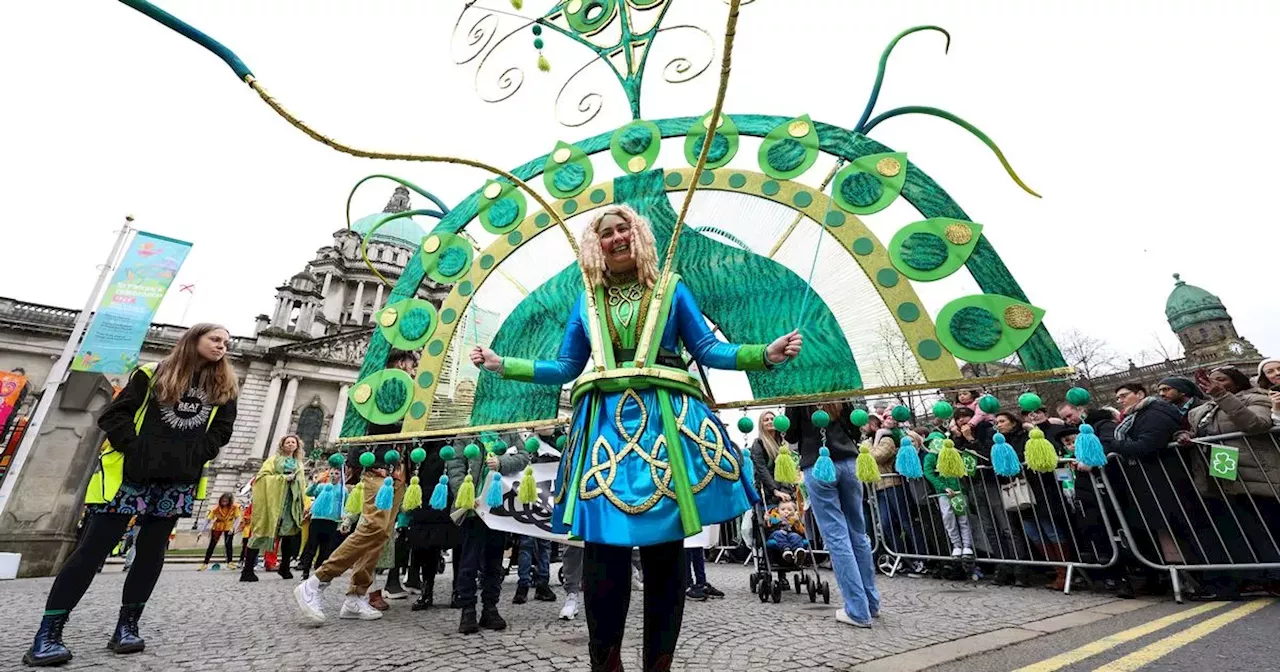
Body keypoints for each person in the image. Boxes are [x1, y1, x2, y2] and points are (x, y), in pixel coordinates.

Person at [469, 204, 801, 670]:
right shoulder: (585, 299)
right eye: (605, 232)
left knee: (666, 549)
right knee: (605, 548)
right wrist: (506, 365)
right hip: (603, 426)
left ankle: (657, 666)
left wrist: (762, 354)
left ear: (638, 235)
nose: (616, 237)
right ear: (595, 245)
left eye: (624, 228)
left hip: (667, 424)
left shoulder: (671, 288)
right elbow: (566, 367)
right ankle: (606, 664)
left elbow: (707, 348)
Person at [24, 324, 238, 667]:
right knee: (92, 551)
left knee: (151, 555)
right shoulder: (152, 373)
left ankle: (127, 627)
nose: (222, 347)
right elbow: (114, 414)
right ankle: (47, 634)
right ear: (194, 339)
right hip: (130, 477)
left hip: (177, 481)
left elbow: (223, 430)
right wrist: (136, 450)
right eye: (215, 339)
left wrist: (198, 454)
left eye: (226, 343)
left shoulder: (224, 387)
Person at [294, 351, 416, 624]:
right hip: (378, 465)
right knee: (372, 527)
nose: (416, 369)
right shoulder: (384, 388)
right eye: (414, 363)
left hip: (400, 469)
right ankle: (316, 582)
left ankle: (356, 596)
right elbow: (365, 422)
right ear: (399, 363)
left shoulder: (412, 391)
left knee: (382, 533)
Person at [784, 403, 878, 629]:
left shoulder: (796, 392)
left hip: (818, 465)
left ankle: (857, 610)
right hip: (849, 462)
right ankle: (871, 604)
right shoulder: (837, 387)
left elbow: (791, 434)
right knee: (858, 533)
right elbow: (854, 427)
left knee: (837, 537)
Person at [446, 434, 529, 633]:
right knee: (469, 561)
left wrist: (501, 462)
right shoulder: (467, 435)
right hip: (473, 509)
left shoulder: (509, 432)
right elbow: (455, 466)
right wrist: (463, 494)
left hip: (498, 509)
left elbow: (524, 457)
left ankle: (490, 608)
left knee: (494, 560)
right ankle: (468, 609)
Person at [242, 435, 307, 581]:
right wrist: (283, 479)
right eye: (287, 442)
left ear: (297, 446)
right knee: (260, 533)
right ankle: (247, 570)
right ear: (282, 445)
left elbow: (302, 485)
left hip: (290, 504)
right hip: (272, 504)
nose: (290, 444)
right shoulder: (273, 460)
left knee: (290, 535)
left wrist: (302, 503)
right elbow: (261, 478)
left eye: (293, 442)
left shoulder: (299, 464)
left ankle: (284, 567)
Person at [405, 440, 460, 611]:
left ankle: (458, 590)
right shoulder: (421, 444)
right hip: (425, 492)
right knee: (426, 546)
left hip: (452, 489)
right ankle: (426, 591)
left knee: (458, 543)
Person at [299, 466, 343, 580]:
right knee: (311, 545)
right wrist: (315, 482)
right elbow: (309, 492)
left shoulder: (343, 490)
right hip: (317, 519)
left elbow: (343, 504)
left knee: (325, 548)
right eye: (332, 473)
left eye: (337, 473)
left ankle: (319, 571)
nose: (334, 476)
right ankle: (305, 571)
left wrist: (342, 518)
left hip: (332, 520)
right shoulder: (321, 487)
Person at [748, 410, 794, 506]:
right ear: (761, 425)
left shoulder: (782, 444)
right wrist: (775, 490)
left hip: (786, 489)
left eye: (772, 419)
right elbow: (761, 469)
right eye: (766, 420)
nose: (770, 421)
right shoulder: (759, 444)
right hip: (769, 491)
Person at [200, 493, 241, 571]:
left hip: (229, 526)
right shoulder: (216, 508)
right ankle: (205, 563)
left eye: (226, 501)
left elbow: (238, 518)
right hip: (217, 526)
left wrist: (233, 528)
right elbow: (208, 519)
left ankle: (230, 562)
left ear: (229, 501)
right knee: (212, 545)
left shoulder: (235, 507)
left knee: (228, 545)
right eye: (222, 501)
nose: (224, 502)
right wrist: (201, 530)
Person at [764, 500, 808, 564]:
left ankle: (798, 551)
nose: (786, 511)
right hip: (776, 534)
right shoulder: (775, 517)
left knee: (795, 535)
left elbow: (801, 531)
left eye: (789, 510)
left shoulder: (794, 519)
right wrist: (767, 519)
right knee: (779, 534)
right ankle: (786, 550)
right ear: (778, 510)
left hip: (790, 535)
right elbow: (768, 525)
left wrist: (797, 521)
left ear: (794, 511)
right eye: (783, 509)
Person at [1256, 358, 1280, 424]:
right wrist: (1277, 409)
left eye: (1279, 369)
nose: (1277, 373)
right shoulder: (1261, 397)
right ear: (1265, 377)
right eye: (1270, 372)